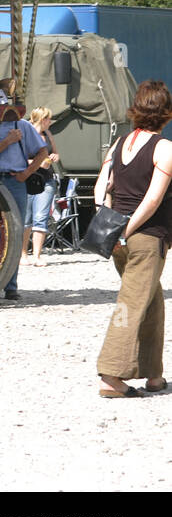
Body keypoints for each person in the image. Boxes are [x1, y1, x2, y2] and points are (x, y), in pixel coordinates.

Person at [94, 79, 172, 398]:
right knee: (131, 303)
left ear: (136, 109)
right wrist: (126, 231)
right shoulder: (165, 149)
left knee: (151, 301)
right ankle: (111, 376)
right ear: (166, 113)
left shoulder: (119, 143)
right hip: (146, 239)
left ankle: (153, 375)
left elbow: (101, 188)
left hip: (119, 241)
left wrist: (107, 222)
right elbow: (152, 201)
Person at [0, 79, 49, 301]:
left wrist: (26, 173)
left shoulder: (21, 125)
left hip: (15, 182)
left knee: (13, 234)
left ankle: (10, 285)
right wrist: (7, 142)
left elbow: (42, 152)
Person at [22, 106, 62, 266]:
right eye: (48, 118)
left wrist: (53, 157)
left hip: (47, 180)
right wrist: (38, 163)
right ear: (41, 119)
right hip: (28, 179)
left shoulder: (48, 134)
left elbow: (57, 154)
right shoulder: (25, 134)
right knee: (26, 219)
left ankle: (37, 255)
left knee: (41, 217)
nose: (50, 122)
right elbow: (17, 158)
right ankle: (23, 254)